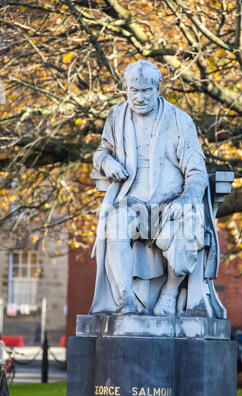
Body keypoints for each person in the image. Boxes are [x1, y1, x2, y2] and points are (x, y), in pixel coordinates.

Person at [90, 60, 218, 316]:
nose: (139, 97)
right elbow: (101, 151)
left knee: (189, 226)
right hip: (132, 202)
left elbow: (196, 172)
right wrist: (107, 162)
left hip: (172, 202)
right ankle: (125, 299)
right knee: (114, 222)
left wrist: (186, 199)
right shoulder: (116, 116)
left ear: (158, 88)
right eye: (133, 90)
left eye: (146, 91)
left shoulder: (180, 120)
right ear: (125, 89)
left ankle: (169, 294)